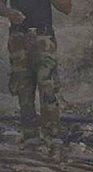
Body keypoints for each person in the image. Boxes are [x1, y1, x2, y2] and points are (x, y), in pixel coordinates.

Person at [0, 0, 71, 152]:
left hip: (43, 37)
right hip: (18, 38)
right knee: (23, 88)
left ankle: (52, 137)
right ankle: (30, 136)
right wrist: (8, 13)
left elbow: (67, 8)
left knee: (48, 88)